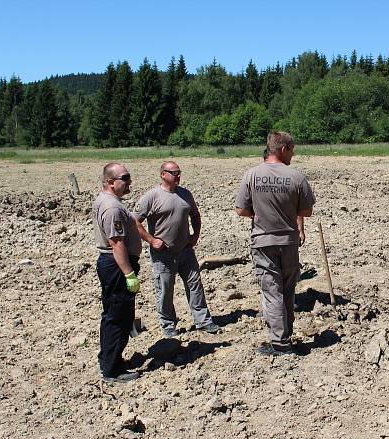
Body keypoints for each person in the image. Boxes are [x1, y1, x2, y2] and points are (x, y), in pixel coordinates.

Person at [236, 131, 315, 355]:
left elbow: (241, 209)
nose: (293, 155)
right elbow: (307, 210)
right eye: (292, 150)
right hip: (289, 241)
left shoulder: (251, 175)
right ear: (283, 149)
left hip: (263, 241)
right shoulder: (296, 177)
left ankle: (280, 343)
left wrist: (259, 213)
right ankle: (285, 334)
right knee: (288, 291)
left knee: (272, 292)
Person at [135, 161, 219, 337]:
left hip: (185, 250)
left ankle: (203, 321)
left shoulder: (185, 194)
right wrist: (151, 240)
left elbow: (195, 215)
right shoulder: (152, 197)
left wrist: (195, 234)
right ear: (163, 174)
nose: (178, 176)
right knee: (165, 289)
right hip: (163, 253)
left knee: (195, 284)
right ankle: (168, 325)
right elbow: (135, 221)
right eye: (174, 173)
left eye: (179, 173)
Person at [93, 163, 143, 382]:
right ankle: (112, 369)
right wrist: (128, 273)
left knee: (117, 314)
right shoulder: (112, 208)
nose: (129, 181)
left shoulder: (108, 201)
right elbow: (117, 244)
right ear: (110, 182)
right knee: (118, 316)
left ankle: (110, 359)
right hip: (116, 266)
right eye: (125, 178)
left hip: (113, 265)